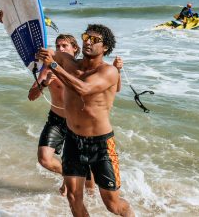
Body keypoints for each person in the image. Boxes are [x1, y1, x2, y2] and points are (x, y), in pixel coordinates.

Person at [36, 24, 134, 217]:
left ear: (105, 47)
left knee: (112, 205)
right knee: (73, 198)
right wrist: (10, 18)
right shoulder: (68, 61)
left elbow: (84, 89)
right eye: (86, 37)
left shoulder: (109, 72)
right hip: (73, 140)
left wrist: (54, 66)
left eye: (95, 40)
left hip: (101, 144)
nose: (88, 42)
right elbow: (42, 50)